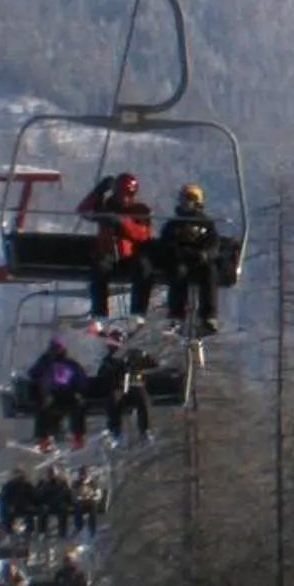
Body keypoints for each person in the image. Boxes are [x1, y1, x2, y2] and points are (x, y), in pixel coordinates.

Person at [77, 171, 155, 319]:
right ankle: (99, 312)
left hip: (129, 255)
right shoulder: (105, 208)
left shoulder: (140, 210)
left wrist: (123, 223)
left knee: (144, 269)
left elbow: (143, 234)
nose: (123, 197)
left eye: (128, 194)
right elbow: (84, 211)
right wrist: (98, 192)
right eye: (120, 193)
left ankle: (138, 312)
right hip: (108, 253)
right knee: (99, 269)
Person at [159, 181, 224, 334]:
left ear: (196, 202)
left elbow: (214, 243)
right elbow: (166, 242)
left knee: (210, 273)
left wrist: (207, 254)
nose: (185, 203)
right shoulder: (174, 224)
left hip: (201, 261)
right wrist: (178, 250)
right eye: (183, 200)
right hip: (180, 260)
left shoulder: (206, 224)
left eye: (188, 200)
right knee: (178, 272)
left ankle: (209, 316)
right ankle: (176, 315)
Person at [24, 338, 90, 450]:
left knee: (77, 408)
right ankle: (43, 438)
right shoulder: (45, 363)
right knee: (44, 409)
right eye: (54, 348)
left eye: (58, 348)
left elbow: (81, 379)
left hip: (68, 394)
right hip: (51, 394)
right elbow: (32, 374)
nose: (56, 351)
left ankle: (77, 436)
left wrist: (82, 391)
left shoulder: (70, 364)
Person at [95, 331, 151, 445]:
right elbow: (103, 377)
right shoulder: (108, 362)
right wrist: (115, 388)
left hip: (127, 392)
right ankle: (115, 432)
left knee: (140, 400)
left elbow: (134, 372)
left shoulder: (128, 358)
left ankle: (143, 432)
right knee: (112, 404)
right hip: (115, 392)